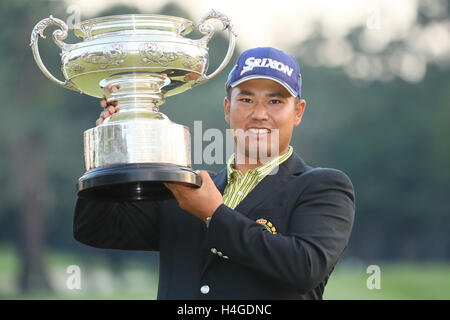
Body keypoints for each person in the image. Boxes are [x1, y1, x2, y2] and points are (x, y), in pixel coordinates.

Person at [74, 47, 355, 300]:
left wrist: (214, 215)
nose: (258, 113)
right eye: (245, 99)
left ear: (298, 112)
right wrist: (111, 148)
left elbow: (304, 268)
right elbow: (97, 229)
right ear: (227, 108)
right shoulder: (183, 189)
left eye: (275, 101)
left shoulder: (323, 186)